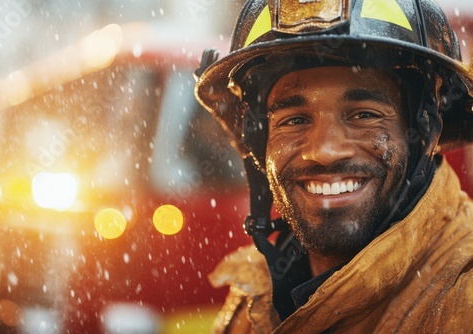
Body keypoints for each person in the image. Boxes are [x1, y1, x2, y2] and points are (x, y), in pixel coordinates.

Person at [194, 0, 473, 333]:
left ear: (423, 131)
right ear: (258, 144)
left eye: (364, 115)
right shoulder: (256, 296)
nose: (324, 151)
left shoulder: (462, 299)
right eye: (294, 120)